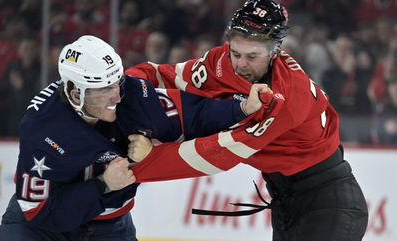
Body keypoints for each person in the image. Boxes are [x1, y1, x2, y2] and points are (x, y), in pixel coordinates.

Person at [126, 0, 369, 240]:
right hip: (284, 198)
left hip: (329, 202)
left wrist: (146, 161)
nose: (241, 64)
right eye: (235, 53)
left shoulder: (288, 97)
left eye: (253, 56)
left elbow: (219, 153)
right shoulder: (220, 61)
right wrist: (121, 86)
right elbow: (162, 75)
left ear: (274, 51)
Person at [0, 35, 271, 241]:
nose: (116, 96)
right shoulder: (41, 128)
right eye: (104, 89)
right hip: (40, 230)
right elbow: (39, 212)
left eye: (116, 83)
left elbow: (194, 114)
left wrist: (243, 106)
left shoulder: (133, 95)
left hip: (109, 227)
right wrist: (103, 185)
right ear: (75, 93)